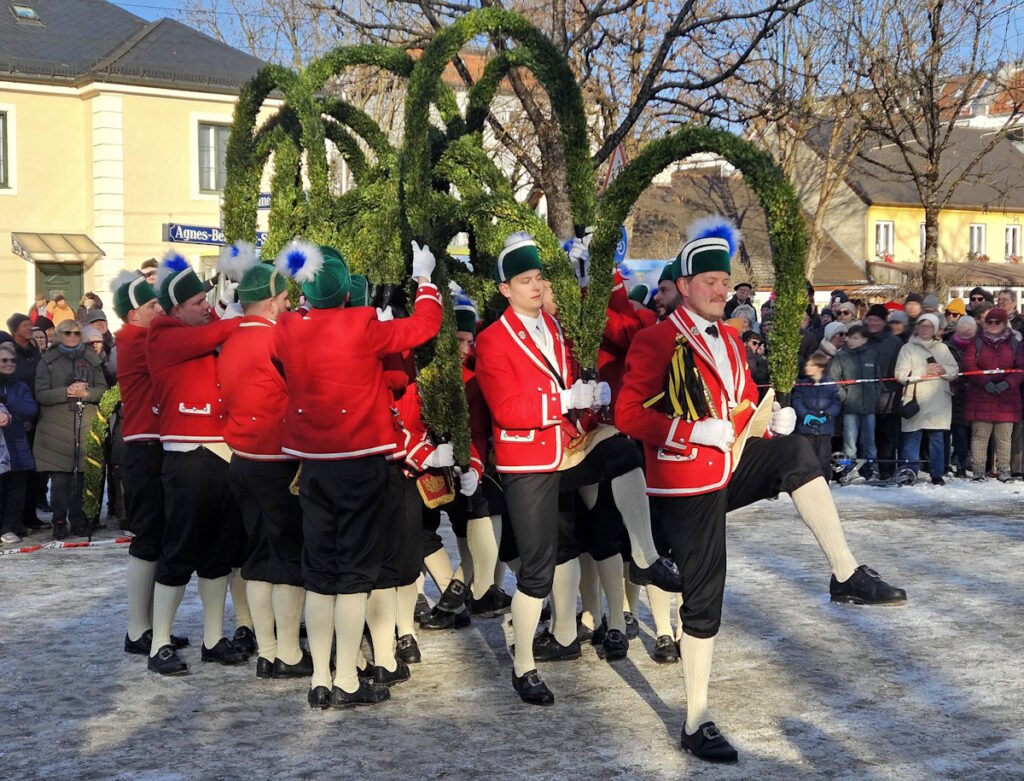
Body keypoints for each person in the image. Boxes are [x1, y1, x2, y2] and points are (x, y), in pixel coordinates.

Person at [615, 218, 905, 763]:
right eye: (709, 281)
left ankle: (845, 573)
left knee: (797, 454)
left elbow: (742, 403)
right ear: (683, 284)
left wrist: (769, 421)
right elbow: (628, 414)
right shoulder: (656, 338)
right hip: (683, 481)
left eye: (726, 280)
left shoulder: (728, 336)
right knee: (705, 595)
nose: (721, 290)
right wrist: (690, 430)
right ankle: (695, 718)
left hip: (730, 461)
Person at [474, 231, 681, 707]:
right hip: (527, 461)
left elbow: (596, 352)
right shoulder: (491, 339)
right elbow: (506, 408)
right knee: (538, 573)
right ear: (505, 289)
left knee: (622, 450)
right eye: (523, 280)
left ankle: (646, 558)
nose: (534, 286)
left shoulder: (557, 325)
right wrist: (564, 399)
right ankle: (523, 664)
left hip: (570, 445)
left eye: (538, 278)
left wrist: (591, 397)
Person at [271, 240, 442, 709]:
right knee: (354, 575)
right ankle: (346, 677)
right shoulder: (362, 324)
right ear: (347, 292)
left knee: (320, 572)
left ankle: (320, 678)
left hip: (313, 465)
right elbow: (426, 326)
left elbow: (280, 358)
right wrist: (425, 281)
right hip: (361, 460)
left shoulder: (287, 327)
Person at [145, 255, 248, 676]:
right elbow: (222, 332)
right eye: (196, 302)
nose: (204, 306)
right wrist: (242, 316)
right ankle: (159, 643)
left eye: (205, 299)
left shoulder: (200, 328)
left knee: (218, 555)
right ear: (174, 310)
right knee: (179, 551)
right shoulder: (163, 335)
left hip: (221, 452)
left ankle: (212, 638)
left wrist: (230, 307)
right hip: (187, 457)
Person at [217, 253, 311, 682]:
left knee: (257, 555)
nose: (290, 301)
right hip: (279, 460)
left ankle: (267, 651)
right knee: (289, 556)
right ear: (271, 301)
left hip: (243, 459)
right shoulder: (277, 339)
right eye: (285, 295)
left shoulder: (232, 338)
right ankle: (289, 652)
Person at [110, 269, 190, 658]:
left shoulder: (139, 336)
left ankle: (152, 627)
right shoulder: (136, 339)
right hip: (145, 446)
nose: (160, 309)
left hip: (153, 444)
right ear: (133, 314)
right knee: (148, 537)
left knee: (158, 536)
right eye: (153, 305)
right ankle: (137, 628)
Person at [33, 318, 108, 539]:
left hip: (84, 425)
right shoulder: (48, 360)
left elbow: (104, 390)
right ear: (59, 334)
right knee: (60, 479)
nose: (73, 336)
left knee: (81, 478)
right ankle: (58, 520)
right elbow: (41, 394)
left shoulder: (91, 359)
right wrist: (66, 392)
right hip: (56, 428)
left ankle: (78, 520)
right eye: (68, 333)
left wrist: (87, 394)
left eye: (77, 333)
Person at [894, 314, 959, 485]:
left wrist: (942, 370)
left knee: (937, 438)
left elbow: (955, 370)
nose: (925, 329)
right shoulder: (908, 348)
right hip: (916, 399)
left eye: (929, 326)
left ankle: (937, 473)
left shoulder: (943, 349)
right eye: (922, 325)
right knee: (912, 438)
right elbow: (900, 375)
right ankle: (910, 472)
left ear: (935, 329)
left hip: (939, 400)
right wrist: (924, 371)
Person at [963, 307, 1024, 482]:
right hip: (981, 395)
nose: (993, 325)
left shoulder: (1014, 342)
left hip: (1007, 398)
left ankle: (1004, 469)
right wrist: (985, 382)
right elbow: (969, 365)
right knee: (980, 437)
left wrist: (1007, 383)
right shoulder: (977, 342)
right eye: (990, 321)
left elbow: (1020, 368)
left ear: (1004, 323)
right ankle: (979, 471)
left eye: (997, 322)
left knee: (1004, 438)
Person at [828, 324, 881, 482]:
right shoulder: (841, 356)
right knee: (850, 442)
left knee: (869, 441)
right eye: (850, 337)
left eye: (856, 338)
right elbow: (833, 379)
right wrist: (844, 396)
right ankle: (849, 470)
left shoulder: (871, 355)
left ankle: (870, 469)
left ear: (864, 340)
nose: (851, 341)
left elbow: (878, 379)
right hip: (850, 406)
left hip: (869, 406)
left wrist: (875, 395)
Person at [1, 342, 38, 545]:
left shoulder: (20, 386)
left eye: (13, 361)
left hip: (16, 443)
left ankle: (10, 526)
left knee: (17, 489)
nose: (9, 364)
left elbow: (30, 410)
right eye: (4, 360)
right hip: (1, 447)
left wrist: (6, 399)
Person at [864, 304, 905, 480]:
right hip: (866, 396)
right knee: (867, 437)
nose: (873, 323)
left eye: (876, 320)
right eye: (870, 320)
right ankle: (866, 469)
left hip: (889, 396)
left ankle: (886, 470)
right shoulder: (863, 339)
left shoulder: (895, 342)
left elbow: (900, 367)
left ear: (883, 321)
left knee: (887, 437)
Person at [792, 352, 842, 482]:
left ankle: (824, 484)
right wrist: (806, 416)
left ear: (819, 367)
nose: (807, 367)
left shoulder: (830, 385)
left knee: (823, 459)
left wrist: (826, 415)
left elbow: (836, 403)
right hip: (806, 429)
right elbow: (797, 401)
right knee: (806, 459)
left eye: (811, 365)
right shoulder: (802, 384)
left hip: (824, 430)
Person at [947, 316, 978, 477]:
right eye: (963, 327)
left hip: (974, 393)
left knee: (971, 431)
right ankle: (958, 464)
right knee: (957, 431)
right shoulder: (949, 346)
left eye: (969, 328)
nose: (966, 330)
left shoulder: (979, 346)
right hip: (953, 393)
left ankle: (970, 463)